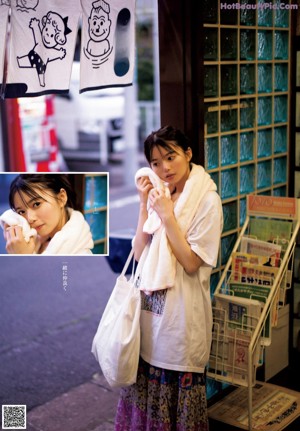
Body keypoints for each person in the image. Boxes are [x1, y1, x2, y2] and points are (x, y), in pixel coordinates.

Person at [114, 125, 223, 431]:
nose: (164, 168)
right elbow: (138, 253)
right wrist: (143, 204)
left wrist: (167, 216)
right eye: (156, 162)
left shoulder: (206, 202)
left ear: (188, 154)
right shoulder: (162, 195)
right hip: (149, 321)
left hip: (180, 323)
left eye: (171, 157)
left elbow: (190, 263)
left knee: (175, 410)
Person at [1, 174, 94, 255]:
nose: (30, 219)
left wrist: (22, 257)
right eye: (21, 212)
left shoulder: (82, 253)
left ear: (61, 198)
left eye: (36, 204)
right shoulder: (32, 241)